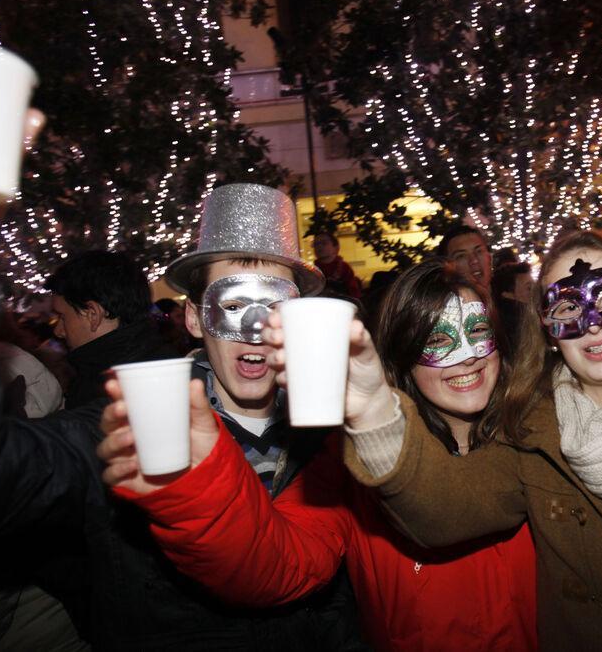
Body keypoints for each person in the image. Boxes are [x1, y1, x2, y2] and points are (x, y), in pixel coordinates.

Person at [0, 44, 364, 650]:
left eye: (275, 305)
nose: (255, 327)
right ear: (194, 320)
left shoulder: (332, 434)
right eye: (233, 303)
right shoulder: (126, 428)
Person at [268, 228, 602, 650]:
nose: (593, 322)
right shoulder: (530, 433)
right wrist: (373, 414)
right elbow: (447, 511)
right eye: (566, 307)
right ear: (546, 330)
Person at [96, 259, 538, 651]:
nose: (466, 358)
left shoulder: (539, 443)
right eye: (438, 340)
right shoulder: (345, 463)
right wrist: (194, 491)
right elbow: (277, 564)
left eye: (478, 332)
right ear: (402, 357)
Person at [46, 249, 178, 408]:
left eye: (62, 317)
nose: (58, 331)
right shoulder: (152, 357)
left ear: (93, 314)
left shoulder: (114, 388)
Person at [490, 261, 533, 352]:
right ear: (508, 294)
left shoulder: (498, 321)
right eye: (529, 288)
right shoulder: (524, 323)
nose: (535, 291)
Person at [312, 231, 363, 299]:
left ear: (336, 248)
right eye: (316, 244)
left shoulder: (344, 268)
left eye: (324, 243)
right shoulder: (312, 271)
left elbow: (354, 292)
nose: (319, 246)